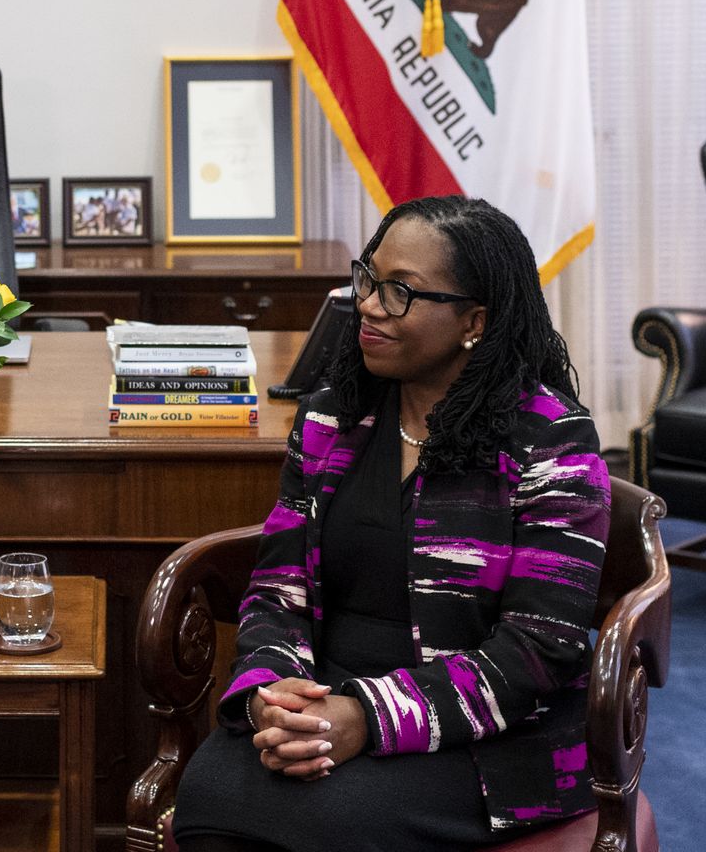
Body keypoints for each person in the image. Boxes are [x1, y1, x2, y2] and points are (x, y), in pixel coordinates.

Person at [165, 196, 610, 852]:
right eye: (368, 278)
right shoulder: (332, 420)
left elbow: (538, 653)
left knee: (318, 822)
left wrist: (366, 719)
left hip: (484, 741)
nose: (368, 304)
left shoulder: (550, 440)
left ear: (475, 322)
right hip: (326, 699)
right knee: (211, 796)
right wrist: (271, 694)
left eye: (400, 291)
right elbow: (275, 593)